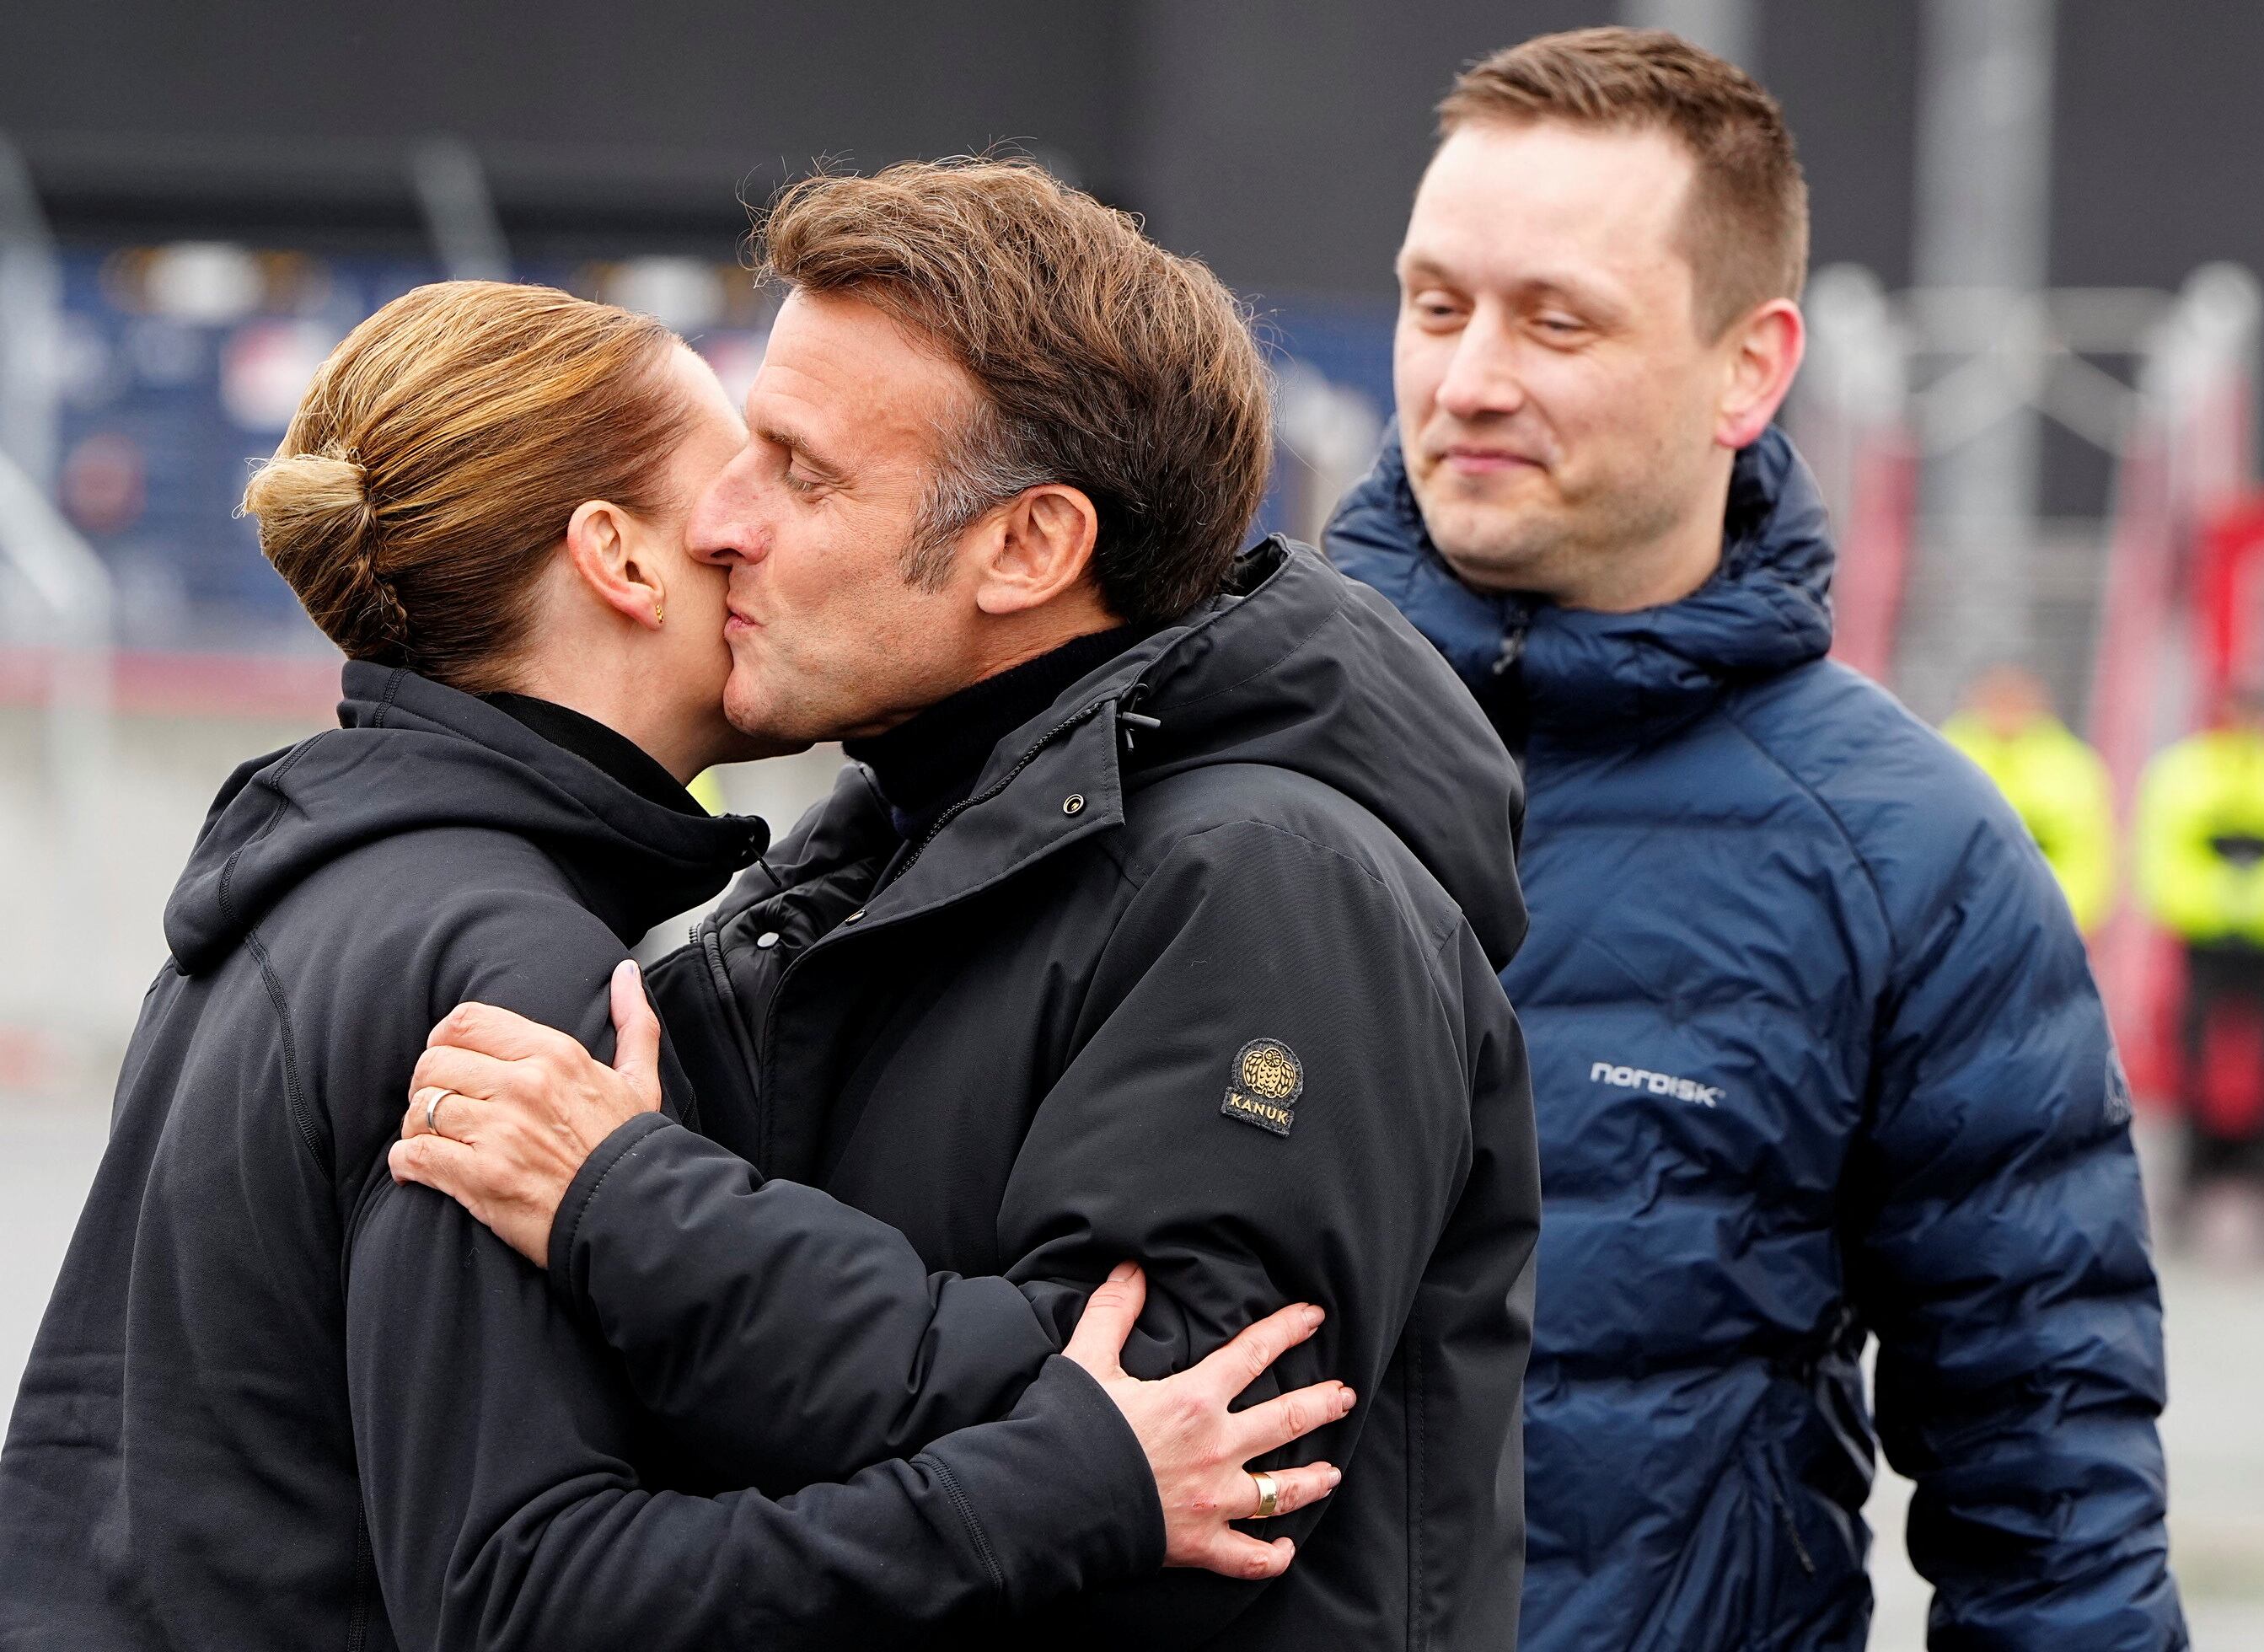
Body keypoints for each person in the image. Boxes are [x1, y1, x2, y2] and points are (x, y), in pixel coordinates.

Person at [0, 282, 1356, 1651]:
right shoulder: (502, 961)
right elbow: (525, 1599)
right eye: (734, 484)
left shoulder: (309, 886)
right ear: (622, 561)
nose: (754, 533)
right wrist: (1064, 1488)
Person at [390, 159, 1539, 1650]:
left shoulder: (1270, 885)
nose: (718, 522)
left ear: (1027, 549)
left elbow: (1168, 1447)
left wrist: (631, 1208)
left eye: (800, 475)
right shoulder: (896, 836)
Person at [1322, 29, 2183, 1651]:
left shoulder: (1907, 858)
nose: (1468, 377)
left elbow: (2050, 1501)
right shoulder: (1184, 744)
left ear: (1749, 365)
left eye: (1554, 319)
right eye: (1435, 306)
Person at [2136, 693, 2264, 1208]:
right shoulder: (2187, 771)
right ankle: (2194, 1160)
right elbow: (2165, 851)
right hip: (2206, 936)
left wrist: (2259, 906)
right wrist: (2224, 903)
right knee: (2194, 1053)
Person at [1945, 662, 2116, 935]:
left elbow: (2086, 854)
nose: (2006, 712)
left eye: (2015, 702)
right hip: (1957, 924)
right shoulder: (1947, 753)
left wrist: (2063, 916)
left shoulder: (2071, 764)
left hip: (2040, 923)